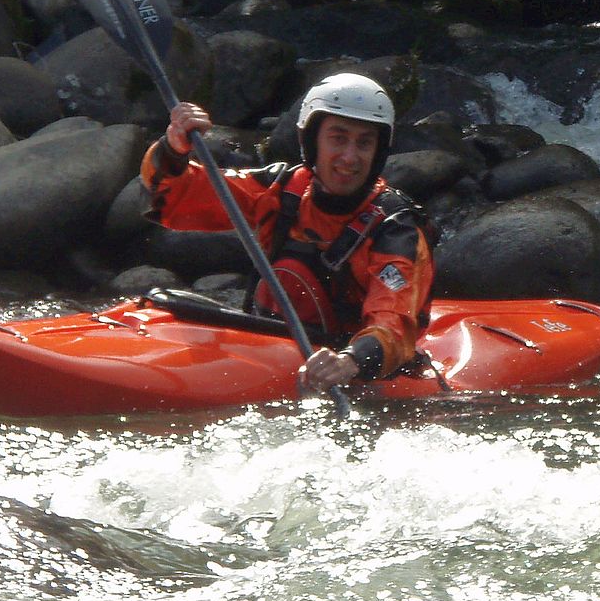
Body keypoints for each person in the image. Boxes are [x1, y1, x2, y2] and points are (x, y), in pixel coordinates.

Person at [138, 72, 435, 396]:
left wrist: (350, 361)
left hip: (355, 367)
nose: (350, 157)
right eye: (338, 138)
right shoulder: (281, 190)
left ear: (378, 152)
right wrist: (173, 148)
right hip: (273, 344)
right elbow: (170, 202)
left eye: (364, 143)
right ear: (311, 140)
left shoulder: (395, 229)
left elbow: (393, 322)